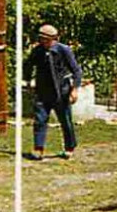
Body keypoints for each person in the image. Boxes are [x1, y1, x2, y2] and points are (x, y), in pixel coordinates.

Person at [24, 24, 80, 161]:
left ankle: (69, 147)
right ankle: (38, 149)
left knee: (65, 121)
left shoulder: (64, 50)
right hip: (43, 92)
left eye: (50, 39)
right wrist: (28, 81)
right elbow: (28, 65)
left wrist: (75, 89)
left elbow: (77, 71)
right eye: (43, 39)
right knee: (40, 120)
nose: (47, 42)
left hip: (62, 91)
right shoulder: (37, 51)